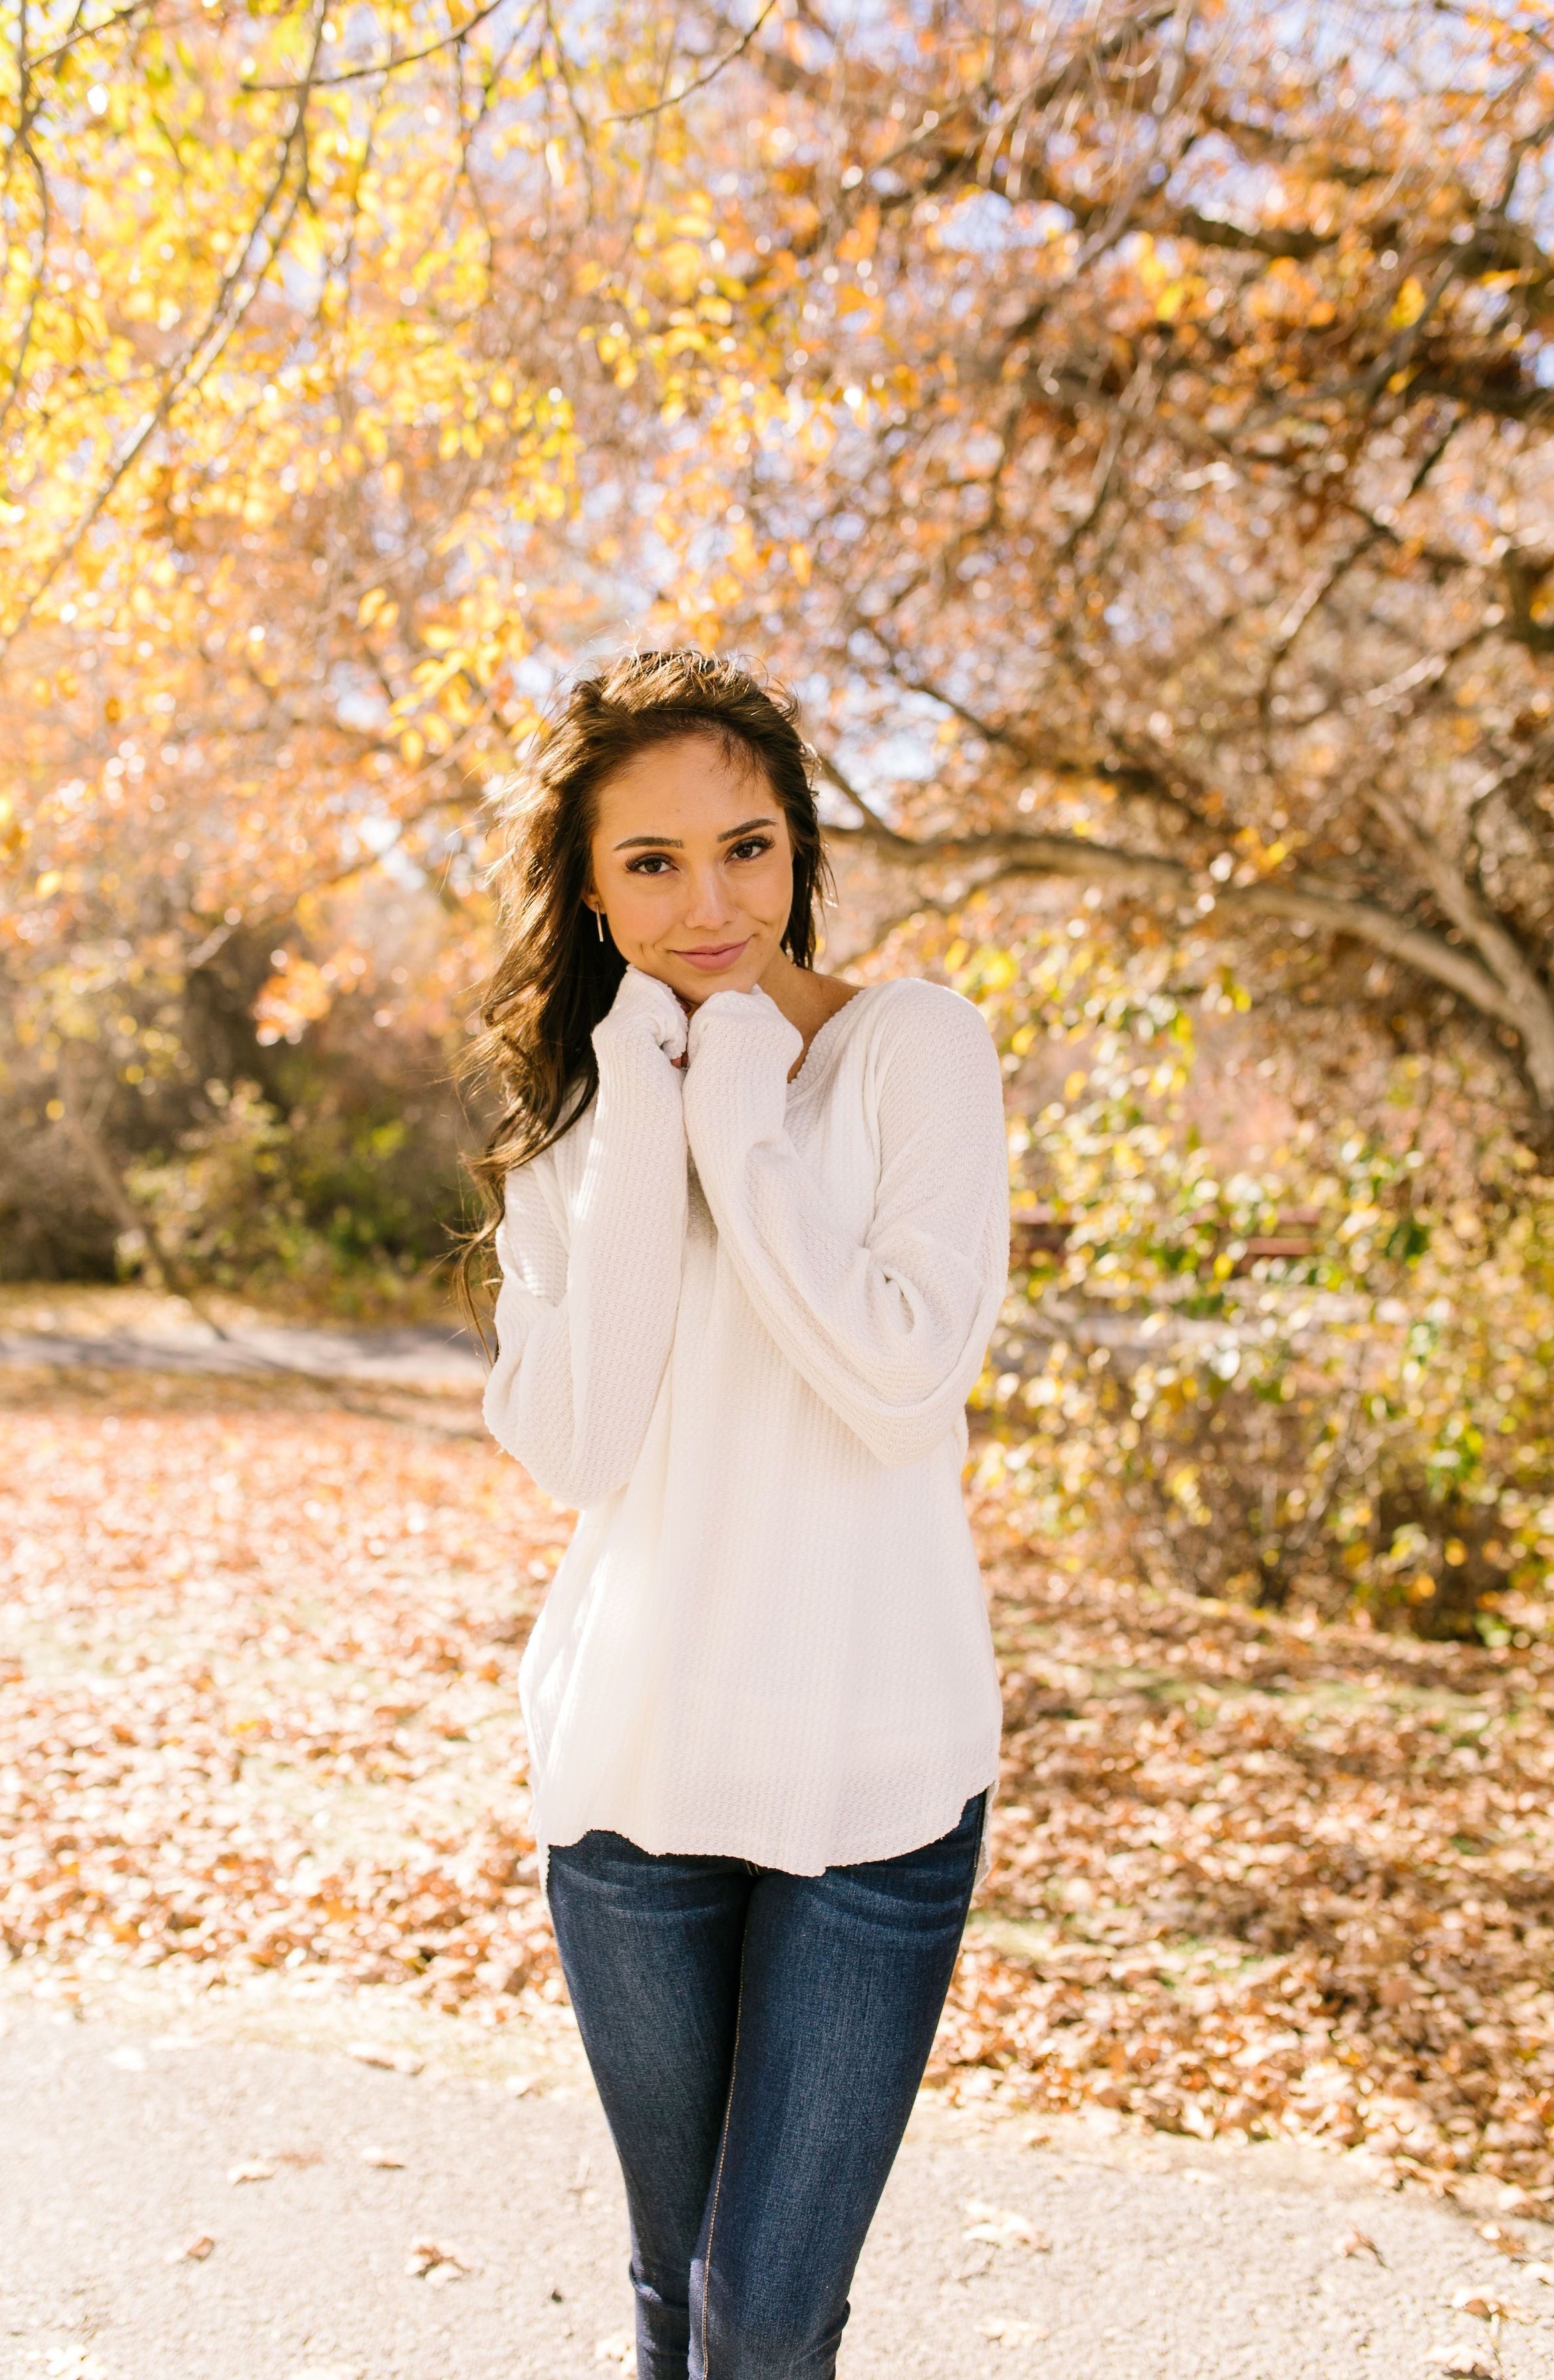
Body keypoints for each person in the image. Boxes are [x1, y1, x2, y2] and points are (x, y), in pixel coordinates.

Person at [464, 647, 1011, 2380]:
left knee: (764, 2324)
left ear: (799, 850)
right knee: (666, 2286)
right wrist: (646, 1107)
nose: (710, 900)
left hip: (879, 1789)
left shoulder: (912, 1051)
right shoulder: (576, 1141)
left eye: (748, 847)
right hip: (635, 1791)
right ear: (591, 883)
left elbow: (902, 1384)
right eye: (652, 861)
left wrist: (740, 1109)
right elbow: (584, 1442)